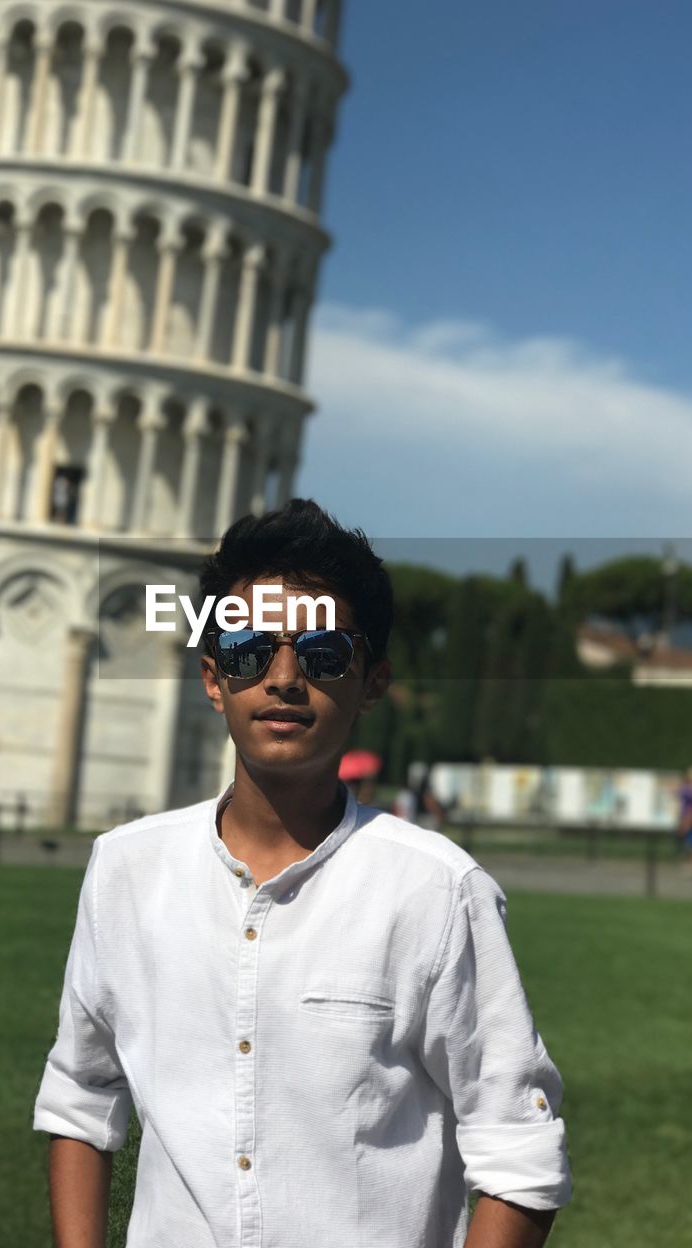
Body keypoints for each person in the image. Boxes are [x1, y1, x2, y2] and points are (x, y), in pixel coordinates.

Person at [34, 499, 572, 1248]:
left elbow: (518, 1149)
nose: (285, 678)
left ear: (372, 681)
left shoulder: (437, 892)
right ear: (213, 677)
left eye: (323, 654)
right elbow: (80, 1098)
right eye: (251, 649)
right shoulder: (127, 869)